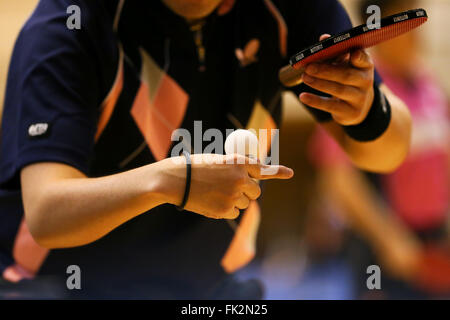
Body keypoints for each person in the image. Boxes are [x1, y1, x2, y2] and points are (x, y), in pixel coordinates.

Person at [0, 0, 411, 299]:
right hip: (61, 286)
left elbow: (388, 151)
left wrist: (366, 110)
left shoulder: (293, 10)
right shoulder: (66, 24)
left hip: (210, 291)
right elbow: (47, 213)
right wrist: (166, 181)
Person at [310, 0, 449, 299]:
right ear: (380, 32)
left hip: (433, 242)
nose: (416, 32)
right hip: (382, 249)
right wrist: (390, 239)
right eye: (405, 23)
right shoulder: (357, 91)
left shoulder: (430, 86)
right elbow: (338, 181)